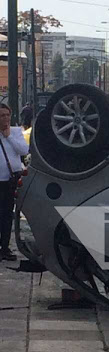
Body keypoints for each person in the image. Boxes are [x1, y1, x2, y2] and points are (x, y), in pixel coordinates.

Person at [0, 103, 29, 261]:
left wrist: (9, 136)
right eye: (2, 116)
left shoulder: (16, 132)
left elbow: (23, 150)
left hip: (10, 180)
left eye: (7, 115)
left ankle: (4, 247)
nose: (5, 118)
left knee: (7, 215)